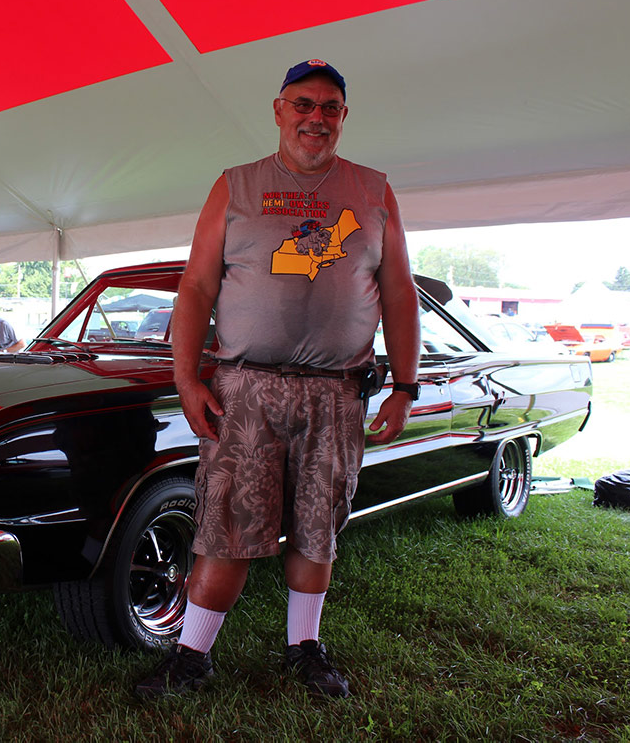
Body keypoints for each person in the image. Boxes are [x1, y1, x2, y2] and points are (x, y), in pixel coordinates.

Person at [134, 59, 421, 700]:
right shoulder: (235, 186)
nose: (314, 117)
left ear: (343, 117)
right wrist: (186, 378)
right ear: (278, 109)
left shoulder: (374, 190)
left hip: (338, 391)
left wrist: (405, 386)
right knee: (228, 528)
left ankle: (304, 648)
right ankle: (191, 659)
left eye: (328, 107)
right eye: (303, 104)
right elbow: (197, 287)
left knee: (319, 528)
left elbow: (398, 293)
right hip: (246, 389)